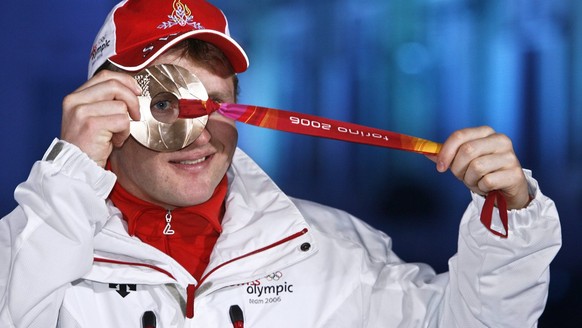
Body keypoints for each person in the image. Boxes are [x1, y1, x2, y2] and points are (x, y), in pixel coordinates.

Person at [0, 0, 561, 327]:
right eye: (165, 105)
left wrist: (509, 220)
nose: (198, 135)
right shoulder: (32, 254)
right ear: (105, 114)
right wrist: (68, 177)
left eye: (218, 103)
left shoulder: (335, 249)